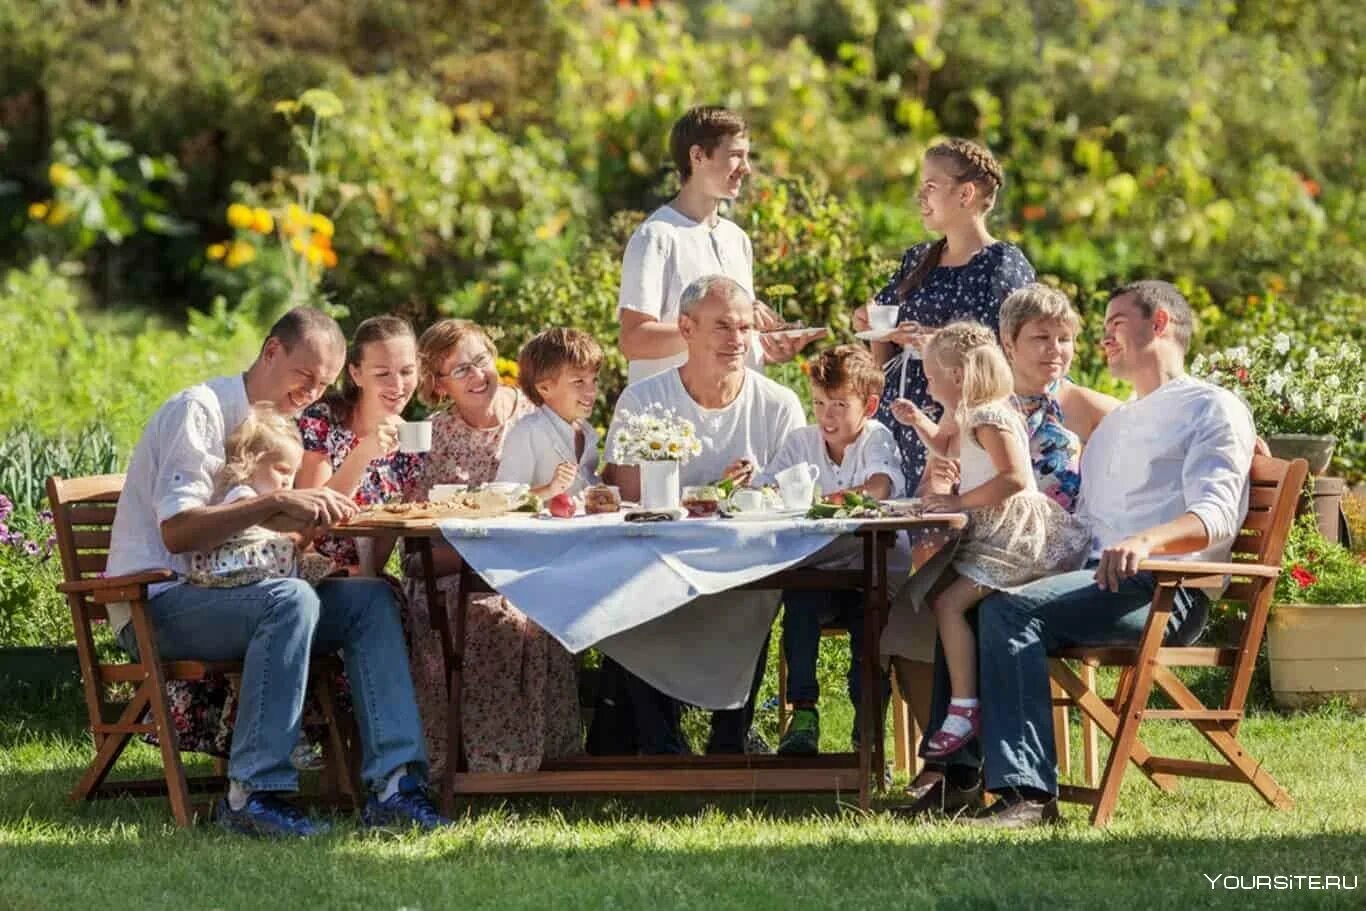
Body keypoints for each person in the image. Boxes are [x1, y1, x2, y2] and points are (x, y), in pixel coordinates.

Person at [914, 281, 1256, 828]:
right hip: (1096, 578)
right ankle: (957, 778)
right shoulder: (1120, 419)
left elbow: (1215, 515)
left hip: (1163, 589)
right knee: (964, 598)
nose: (1101, 338)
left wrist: (1146, 542)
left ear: (1160, 323)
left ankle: (1028, 796)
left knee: (1007, 610)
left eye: (1115, 322)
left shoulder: (1212, 407)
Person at [105, 307, 447, 837]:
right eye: (304, 377)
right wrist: (277, 504)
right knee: (290, 601)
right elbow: (176, 531)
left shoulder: (277, 425)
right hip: (161, 602)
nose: (311, 393)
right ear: (270, 351)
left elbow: (267, 537)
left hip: (243, 593)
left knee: (371, 599)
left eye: (323, 385)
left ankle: (396, 786)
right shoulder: (201, 410)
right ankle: (253, 796)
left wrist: (307, 519)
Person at [604, 274, 806, 754]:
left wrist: (757, 490)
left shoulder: (778, 405)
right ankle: (660, 743)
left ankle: (730, 737)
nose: (736, 340)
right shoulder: (644, 400)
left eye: (743, 327)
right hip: (657, 560)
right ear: (687, 328)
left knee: (755, 595)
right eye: (721, 327)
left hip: (746, 566)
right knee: (636, 593)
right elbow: (626, 497)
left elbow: (797, 496)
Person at [888, 322, 1090, 759]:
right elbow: (946, 446)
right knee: (933, 598)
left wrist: (957, 500)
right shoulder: (973, 413)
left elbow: (1015, 477)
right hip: (992, 534)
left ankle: (964, 708)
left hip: (1016, 538)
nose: (926, 382)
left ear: (956, 376)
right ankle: (959, 714)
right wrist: (918, 420)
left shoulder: (989, 415)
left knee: (947, 604)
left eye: (930, 375)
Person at [402, 319, 581, 774]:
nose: (478, 375)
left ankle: (536, 760)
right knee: (473, 613)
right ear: (438, 385)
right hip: (451, 566)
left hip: (532, 565)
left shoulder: (539, 416)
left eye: (481, 360)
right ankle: (470, 762)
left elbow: (576, 494)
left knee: (535, 610)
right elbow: (416, 530)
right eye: (459, 370)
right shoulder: (433, 436)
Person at [853, 138, 1035, 492]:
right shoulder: (918, 259)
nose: (920, 197)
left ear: (965, 194)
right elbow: (885, 358)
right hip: (901, 411)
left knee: (944, 528)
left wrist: (935, 341)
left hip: (959, 422)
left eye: (931, 187)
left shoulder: (1003, 265)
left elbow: (1009, 354)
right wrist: (874, 328)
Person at [758, 345, 904, 755]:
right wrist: (752, 484)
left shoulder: (876, 437)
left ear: (869, 406)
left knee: (869, 635)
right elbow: (768, 488)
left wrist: (824, 502)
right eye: (820, 402)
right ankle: (803, 713)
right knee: (798, 604)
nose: (828, 415)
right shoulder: (802, 442)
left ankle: (868, 731)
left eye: (841, 404)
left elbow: (879, 487)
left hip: (872, 574)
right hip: (819, 572)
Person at [618, 105, 819, 384]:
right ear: (697, 156)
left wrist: (769, 346)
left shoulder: (737, 239)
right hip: (675, 417)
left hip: (735, 414)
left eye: (746, 157)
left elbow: (732, 345)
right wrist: (718, 328)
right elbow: (634, 341)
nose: (746, 169)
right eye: (736, 156)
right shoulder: (656, 237)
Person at [296, 315, 423, 575]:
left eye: (407, 371)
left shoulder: (410, 445)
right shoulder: (323, 419)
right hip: (309, 568)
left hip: (364, 575)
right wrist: (364, 452)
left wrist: (360, 574)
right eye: (382, 373)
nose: (397, 385)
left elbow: (381, 551)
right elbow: (312, 519)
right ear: (356, 374)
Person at [495, 328, 604, 499]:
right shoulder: (526, 433)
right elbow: (502, 499)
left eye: (594, 380)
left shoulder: (586, 432)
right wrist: (549, 490)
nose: (591, 391)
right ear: (544, 388)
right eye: (579, 382)